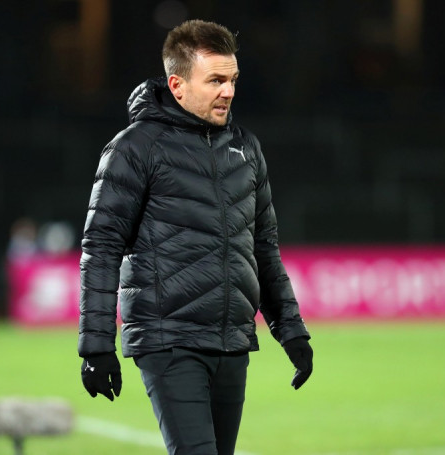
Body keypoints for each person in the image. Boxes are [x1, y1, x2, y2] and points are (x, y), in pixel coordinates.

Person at [78, 19, 313, 455]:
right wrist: (96, 345)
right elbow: (102, 247)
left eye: (233, 80)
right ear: (177, 85)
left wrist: (291, 330)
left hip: (232, 341)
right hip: (168, 339)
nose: (229, 91)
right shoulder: (135, 148)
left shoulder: (246, 148)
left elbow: (262, 248)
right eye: (216, 80)